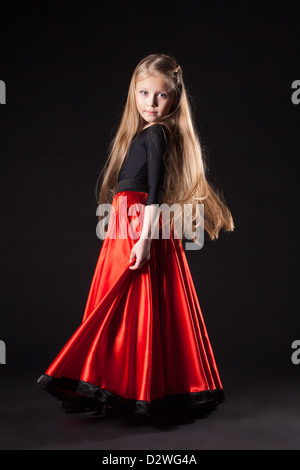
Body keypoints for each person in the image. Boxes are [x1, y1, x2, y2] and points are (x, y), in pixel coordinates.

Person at [37, 53, 234, 420]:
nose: (151, 104)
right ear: (134, 93)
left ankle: (128, 385)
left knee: (128, 303)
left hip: (138, 225)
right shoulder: (145, 132)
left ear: (175, 98)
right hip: (128, 223)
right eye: (144, 93)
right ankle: (124, 385)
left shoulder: (158, 132)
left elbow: (157, 189)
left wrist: (143, 238)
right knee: (129, 306)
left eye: (160, 96)